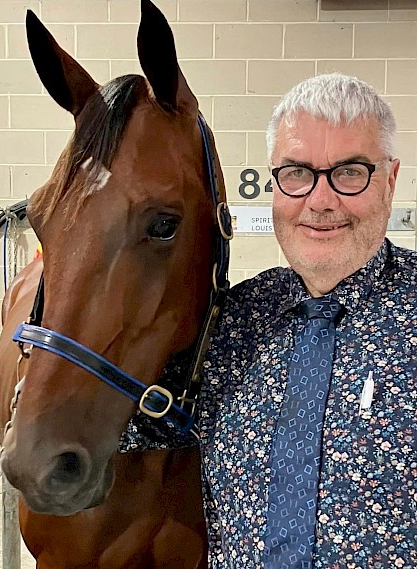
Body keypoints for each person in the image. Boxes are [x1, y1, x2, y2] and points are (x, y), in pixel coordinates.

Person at [199, 73, 416, 568]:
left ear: (390, 180)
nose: (320, 201)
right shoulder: (233, 323)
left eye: (350, 172)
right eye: (297, 173)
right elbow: (127, 422)